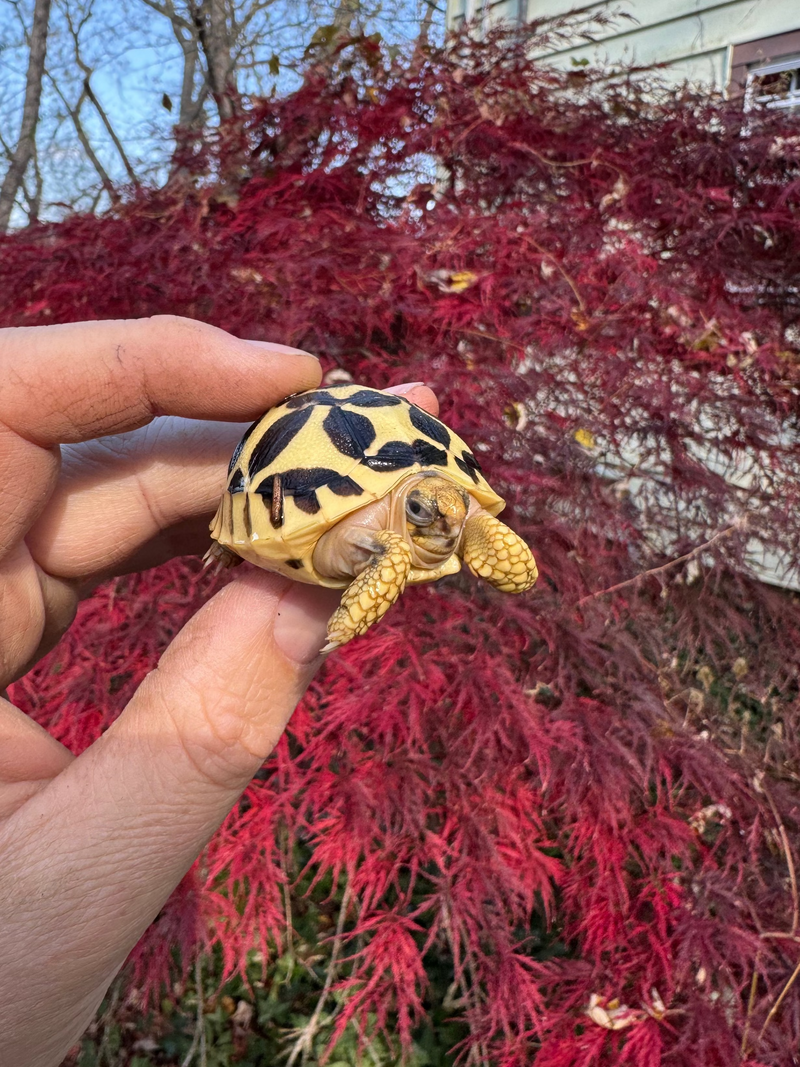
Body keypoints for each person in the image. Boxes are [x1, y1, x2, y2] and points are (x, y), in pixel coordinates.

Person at [0, 316, 438, 1067]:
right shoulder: (380, 531)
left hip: (340, 488)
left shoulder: (429, 505)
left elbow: (449, 518)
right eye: (427, 512)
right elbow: (385, 544)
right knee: (369, 556)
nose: (435, 521)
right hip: (300, 508)